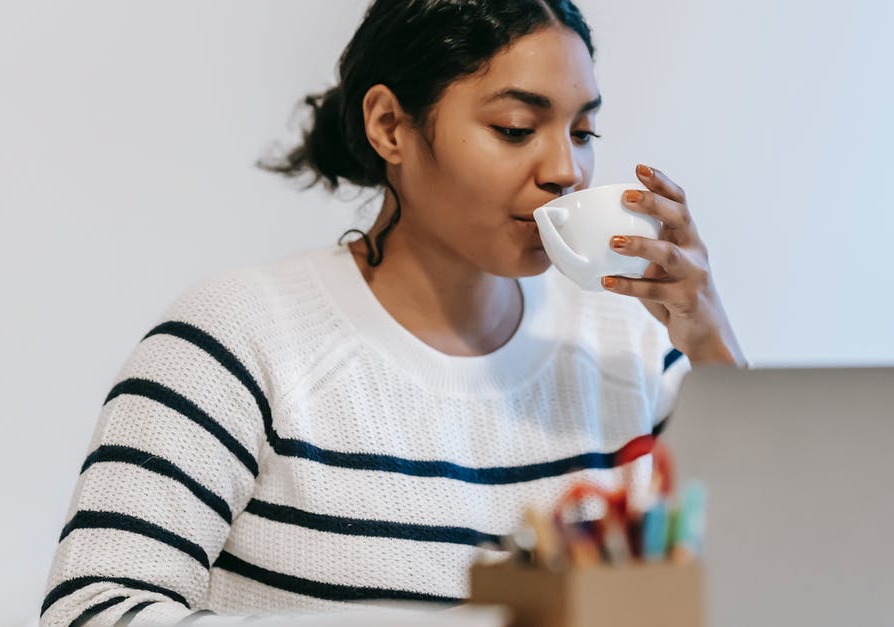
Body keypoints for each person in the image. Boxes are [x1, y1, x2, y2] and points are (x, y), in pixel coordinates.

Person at [39, 1, 745, 625]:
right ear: (389, 127)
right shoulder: (238, 336)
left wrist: (712, 349)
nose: (566, 170)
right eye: (515, 127)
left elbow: (766, 586)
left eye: (583, 132)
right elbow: (93, 608)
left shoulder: (629, 347)